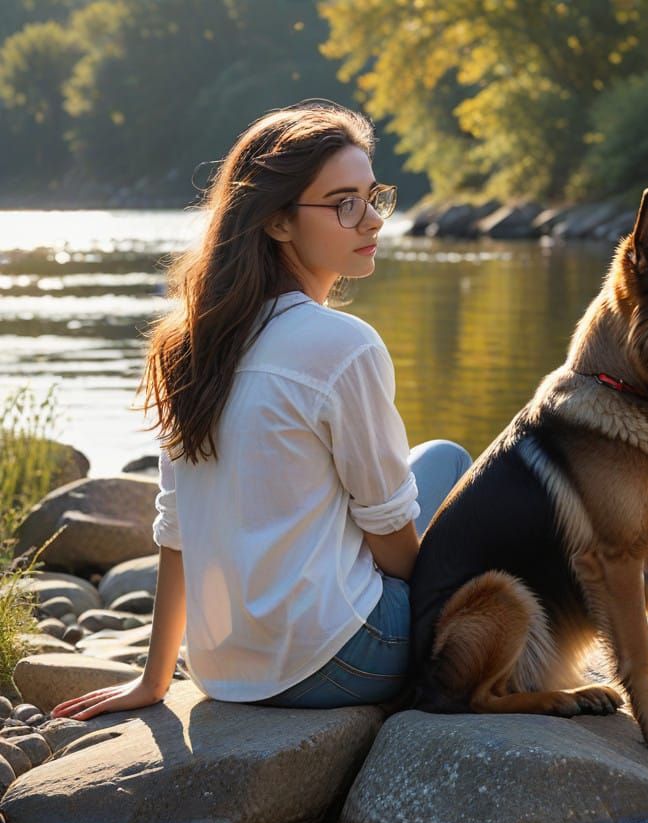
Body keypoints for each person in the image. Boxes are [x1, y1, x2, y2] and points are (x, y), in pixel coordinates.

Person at [52, 100, 470, 720]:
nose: (372, 221)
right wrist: (449, 589)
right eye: (343, 203)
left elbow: (176, 527)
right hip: (346, 661)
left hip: (223, 670)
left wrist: (156, 678)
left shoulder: (190, 343)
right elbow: (390, 540)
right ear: (277, 222)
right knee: (450, 461)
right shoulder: (344, 346)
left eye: (373, 196)